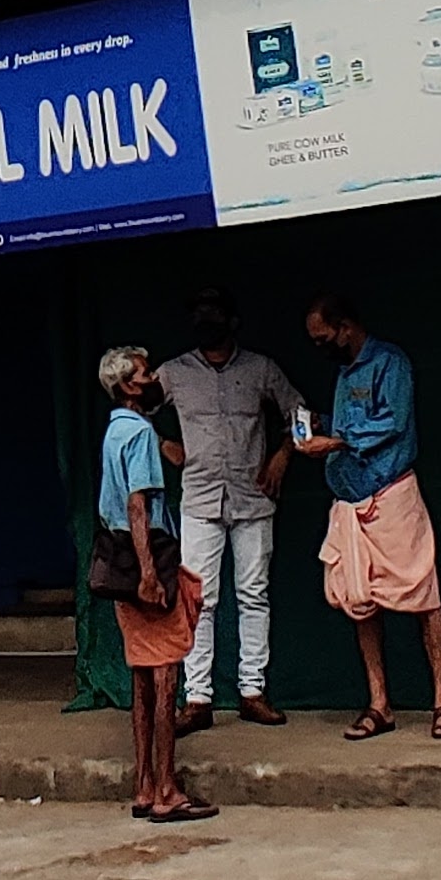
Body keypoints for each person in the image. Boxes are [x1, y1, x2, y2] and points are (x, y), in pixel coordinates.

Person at [292, 296, 441, 741]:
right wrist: (316, 427)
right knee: (359, 600)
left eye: (323, 338)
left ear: (345, 327)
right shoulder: (343, 373)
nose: (320, 347)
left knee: (423, 593)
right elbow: (346, 424)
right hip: (349, 499)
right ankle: (379, 703)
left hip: (392, 494)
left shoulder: (390, 362)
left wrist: (336, 441)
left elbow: (394, 422)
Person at [154, 293, 294, 733]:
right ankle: (198, 699)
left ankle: (252, 692)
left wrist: (282, 455)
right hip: (199, 498)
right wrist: (162, 444)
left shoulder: (261, 368)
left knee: (253, 593)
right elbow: (132, 409)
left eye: (213, 316)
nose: (206, 323)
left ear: (233, 321)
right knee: (200, 599)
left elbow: (299, 412)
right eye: (199, 316)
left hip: (252, 497)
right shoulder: (174, 372)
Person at [95, 345, 212, 824]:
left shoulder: (113, 432)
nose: (152, 378)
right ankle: (166, 787)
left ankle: (145, 784)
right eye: (144, 373)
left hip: (116, 559)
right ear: (128, 385)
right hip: (146, 559)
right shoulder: (140, 433)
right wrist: (149, 572)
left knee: (143, 674)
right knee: (165, 674)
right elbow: (138, 504)